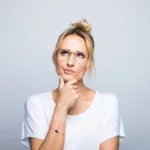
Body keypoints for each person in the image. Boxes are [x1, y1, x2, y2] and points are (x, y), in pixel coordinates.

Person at [21, 18, 126, 150]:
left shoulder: (108, 104)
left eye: (80, 55)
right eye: (64, 53)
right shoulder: (36, 104)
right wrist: (61, 106)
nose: (70, 62)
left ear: (88, 63)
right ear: (55, 58)